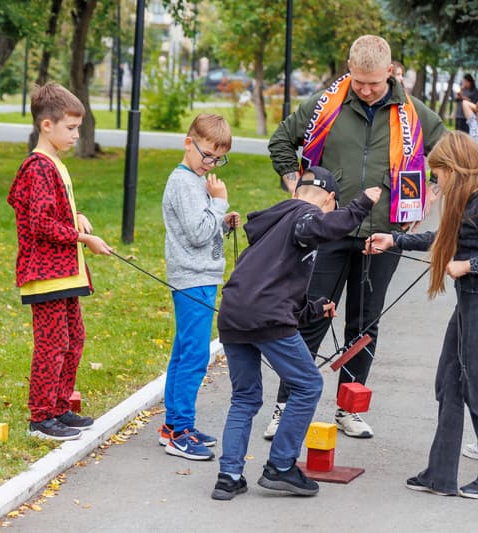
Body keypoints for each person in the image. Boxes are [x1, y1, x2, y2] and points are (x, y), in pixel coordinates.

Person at [267, 34, 445, 440]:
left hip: (383, 235)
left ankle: (349, 408)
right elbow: (281, 142)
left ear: (390, 71)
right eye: (358, 81)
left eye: (373, 83)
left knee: (364, 325)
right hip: (328, 231)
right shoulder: (324, 105)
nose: (364, 90)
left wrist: (432, 191)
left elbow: (448, 156)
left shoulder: (415, 114)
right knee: (309, 317)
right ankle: (285, 406)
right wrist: (297, 186)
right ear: (349, 67)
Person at [365, 131, 478, 499]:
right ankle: (441, 473)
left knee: (476, 388)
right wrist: (395, 239)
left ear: (456, 168)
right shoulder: (465, 201)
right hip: (470, 304)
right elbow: (446, 238)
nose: (436, 182)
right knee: (448, 382)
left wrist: (470, 266)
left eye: (439, 174)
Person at [211, 167, 381, 500]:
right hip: (266, 318)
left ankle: (228, 476)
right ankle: (281, 466)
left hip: (233, 314)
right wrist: (362, 205)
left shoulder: (276, 223)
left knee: (245, 398)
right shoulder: (306, 215)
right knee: (308, 385)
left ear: (295, 191)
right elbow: (321, 226)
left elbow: (277, 287)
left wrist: (315, 308)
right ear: (330, 199)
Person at [8, 82, 113, 441]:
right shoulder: (37, 166)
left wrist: (76, 214)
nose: (76, 135)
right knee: (52, 345)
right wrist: (84, 238)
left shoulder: (53, 164)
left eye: (78, 128)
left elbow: (53, 211)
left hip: (66, 272)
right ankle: (41, 418)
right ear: (46, 125)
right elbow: (39, 223)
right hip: (46, 274)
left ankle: (59, 406)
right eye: (70, 128)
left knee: (74, 339)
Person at [158, 114, 240, 461]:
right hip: (194, 279)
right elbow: (195, 234)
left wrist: (221, 221)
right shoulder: (184, 183)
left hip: (199, 276)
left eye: (218, 158)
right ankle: (179, 430)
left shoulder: (194, 181)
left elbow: (204, 229)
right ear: (188, 142)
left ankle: (175, 425)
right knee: (194, 357)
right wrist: (219, 202)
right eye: (207, 155)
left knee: (184, 352)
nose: (211, 164)